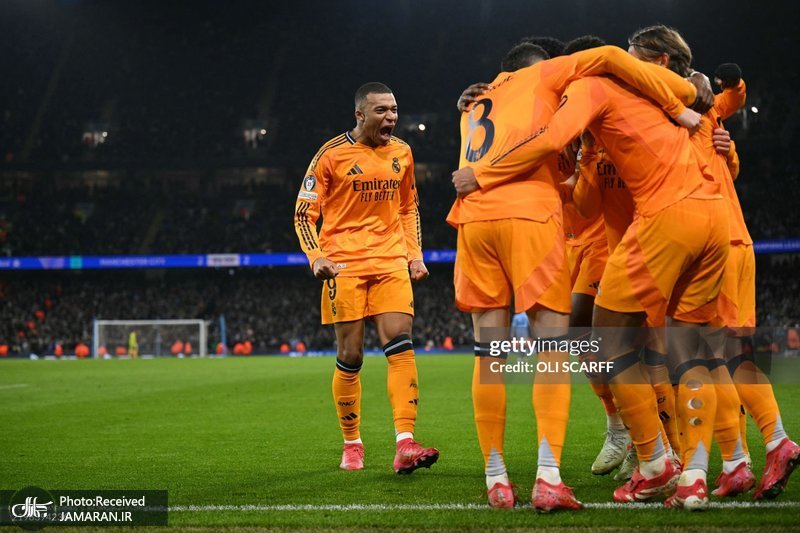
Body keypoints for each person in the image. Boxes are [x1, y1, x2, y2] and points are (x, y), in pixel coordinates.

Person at [452, 38, 728, 510]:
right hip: (534, 216)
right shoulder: (552, 81)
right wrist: (684, 94)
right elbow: (609, 57)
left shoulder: (476, 103)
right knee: (567, 346)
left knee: (490, 354)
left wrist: (692, 88)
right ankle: (553, 476)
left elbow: (576, 187)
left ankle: (497, 477)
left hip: (473, 220)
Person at [628, 24, 800, 502]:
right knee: (720, 356)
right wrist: (729, 143)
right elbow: (727, 108)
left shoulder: (672, 106)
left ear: (660, 61)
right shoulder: (702, 111)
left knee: (706, 359)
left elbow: (725, 100)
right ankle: (737, 462)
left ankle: (767, 445)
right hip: (731, 238)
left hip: (709, 244)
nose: (627, 64)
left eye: (633, 56)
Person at [294, 82, 437, 475]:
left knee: (401, 345)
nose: (391, 117)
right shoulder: (330, 155)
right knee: (351, 355)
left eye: (394, 110)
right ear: (360, 115)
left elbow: (408, 208)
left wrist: (415, 256)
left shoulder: (403, 152)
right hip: (344, 264)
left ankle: (405, 443)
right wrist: (316, 257)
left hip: (390, 260)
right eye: (381, 111)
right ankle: (352, 443)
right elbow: (303, 215)